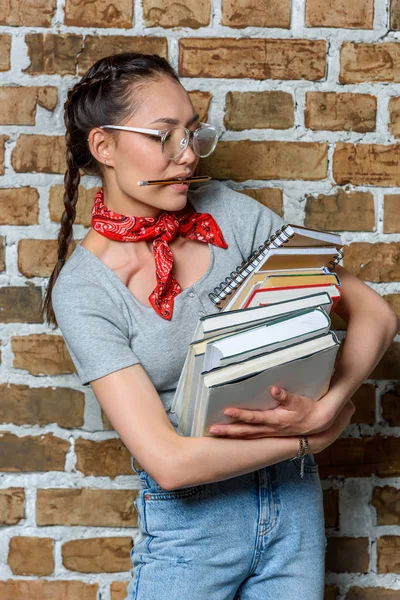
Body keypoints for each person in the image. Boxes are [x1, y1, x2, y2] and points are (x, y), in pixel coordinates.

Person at [42, 52, 398, 600]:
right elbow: (169, 463)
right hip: (192, 533)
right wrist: (308, 438)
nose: (186, 156)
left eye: (191, 133)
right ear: (104, 147)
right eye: (164, 136)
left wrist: (332, 402)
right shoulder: (85, 290)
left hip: (293, 519)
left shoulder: (230, 215)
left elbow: (374, 312)